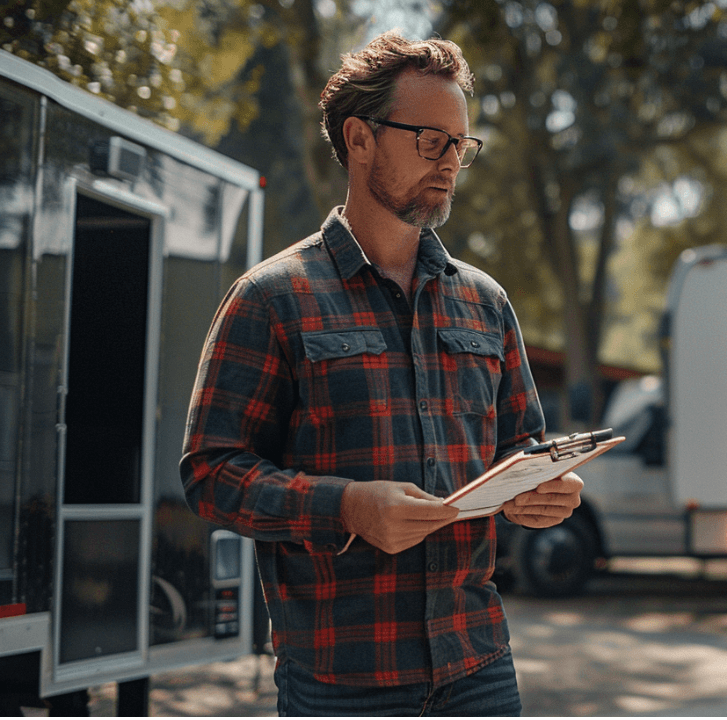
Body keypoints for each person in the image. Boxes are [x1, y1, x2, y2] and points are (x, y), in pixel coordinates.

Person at [180, 31, 582, 716]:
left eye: (462, 144)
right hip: (340, 680)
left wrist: (544, 487)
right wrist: (346, 506)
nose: (451, 162)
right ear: (360, 138)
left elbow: (524, 448)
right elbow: (210, 474)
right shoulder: (272, 298)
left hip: (478, 667)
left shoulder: (485, 302)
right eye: (432, 140)